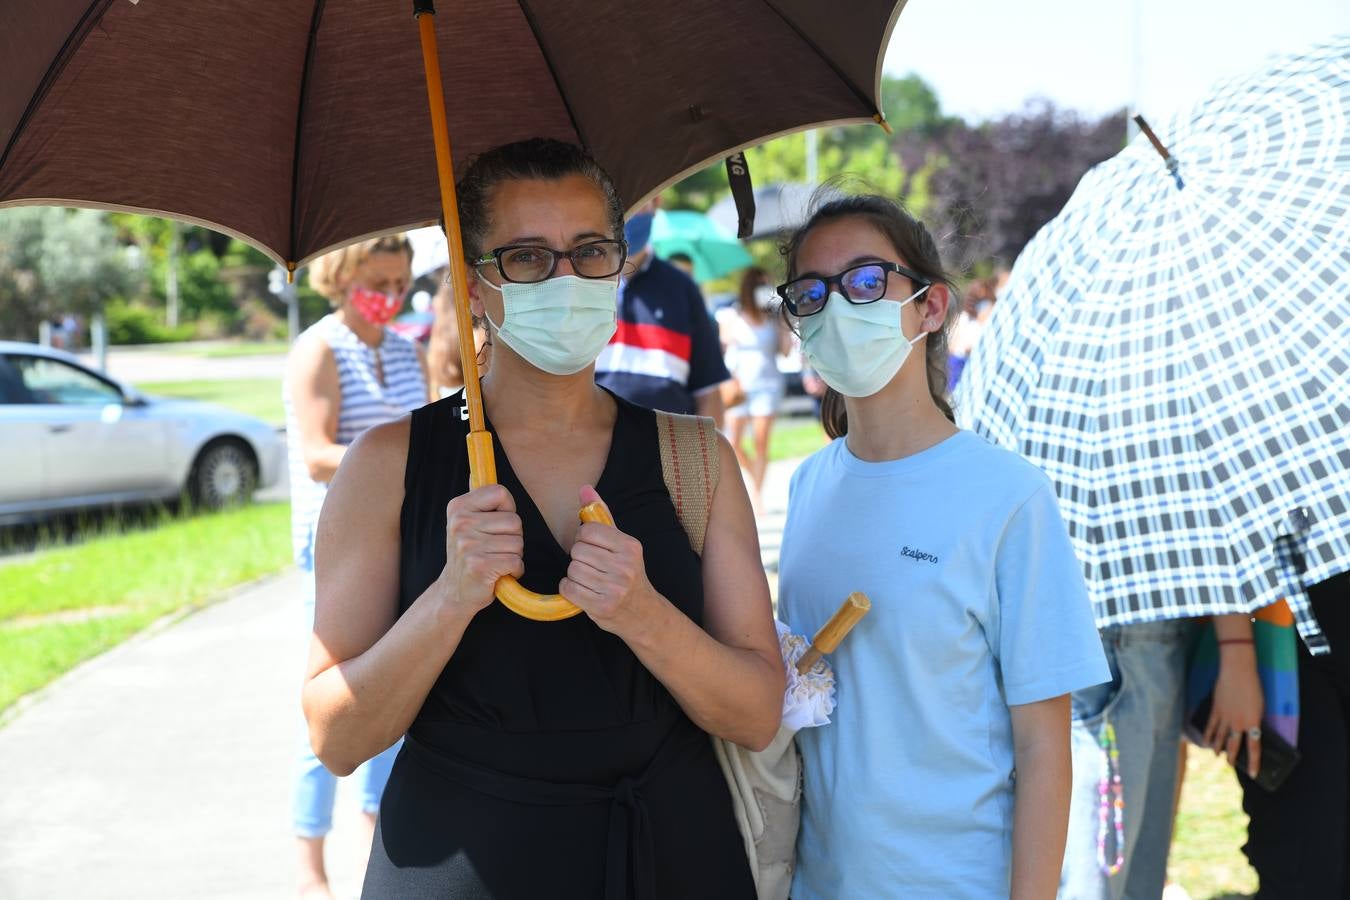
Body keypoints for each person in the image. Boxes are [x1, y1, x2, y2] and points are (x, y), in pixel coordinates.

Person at [301, 138, 783, 899]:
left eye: (590, 250)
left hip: (674, 859)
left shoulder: (694, 459)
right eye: (527, 257)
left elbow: (758, 714)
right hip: (460, 865)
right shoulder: (387, 466)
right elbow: (336, 736)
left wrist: (643, 614)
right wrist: (450, 597)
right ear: (474, 285)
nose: (566, 277)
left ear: (621, 264)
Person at [774, 194, 1110, 899]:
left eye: (867, 280)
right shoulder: (808, 486)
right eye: (810, 293)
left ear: (930, 308)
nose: (837, 307)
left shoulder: (1007, 496)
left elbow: (1044, 748)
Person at [284, 234, 429, 900]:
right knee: (332, 699)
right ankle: (310, 862)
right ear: (343, 276)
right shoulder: (319, 348)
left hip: (400, 538)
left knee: (393, 692)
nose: (393, 295)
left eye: (401, 282)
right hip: (336, 544)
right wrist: (401, 466)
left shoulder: (407, 348)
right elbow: (316, 453)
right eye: (380, 280)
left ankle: (375, 837)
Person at [595, 201, 731, 427]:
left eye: (640, 201)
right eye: (617, 199)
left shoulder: (683, 288)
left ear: (656, 203)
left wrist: (704, 457)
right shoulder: (575, 284)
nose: (628, 210)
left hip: (668, 452)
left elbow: (708, 393)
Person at [716, 267, 790, 509]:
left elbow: (786, 351)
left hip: (767, 385)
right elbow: (723, 351)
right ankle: (750, 483)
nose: (763, 290)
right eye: (759, 285)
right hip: (739, 387)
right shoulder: (732, 317)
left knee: (761, 442)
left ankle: (756, 495)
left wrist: (783, 322)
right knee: (733, 442)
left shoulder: (772, 319)